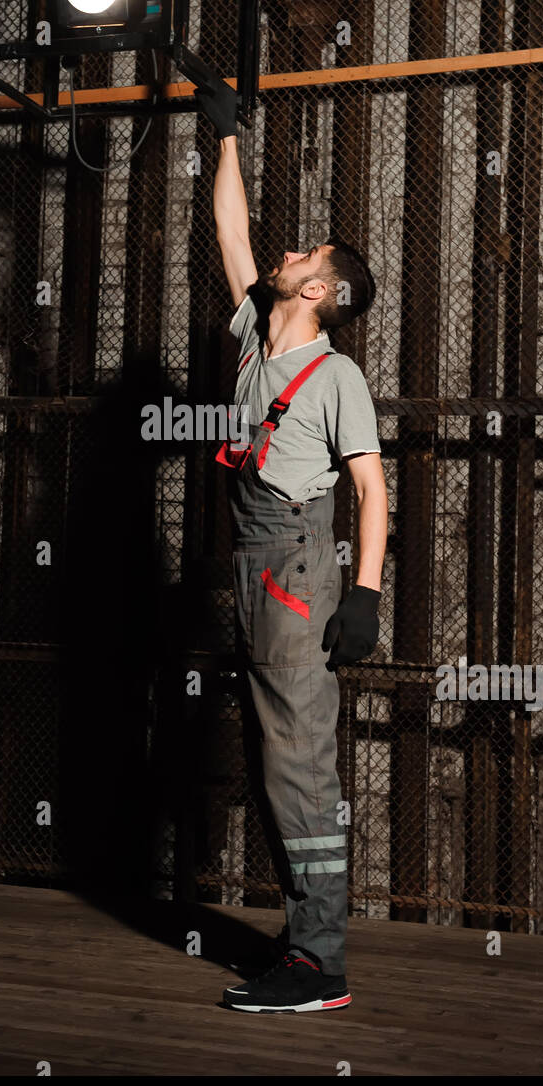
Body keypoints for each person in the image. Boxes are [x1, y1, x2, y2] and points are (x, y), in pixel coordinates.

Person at [195, 78, 388, 1013]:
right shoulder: (253, 333)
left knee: (295, 758)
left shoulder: (333, 371)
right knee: (276, 752)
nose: (285, 247)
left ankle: (317, 961)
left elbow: (370, 489)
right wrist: (225, 138)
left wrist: (368, 595)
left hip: (300, 569)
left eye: (304, 251)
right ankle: (304, 940)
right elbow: (230, 235)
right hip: (253, 557)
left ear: (319, 290)